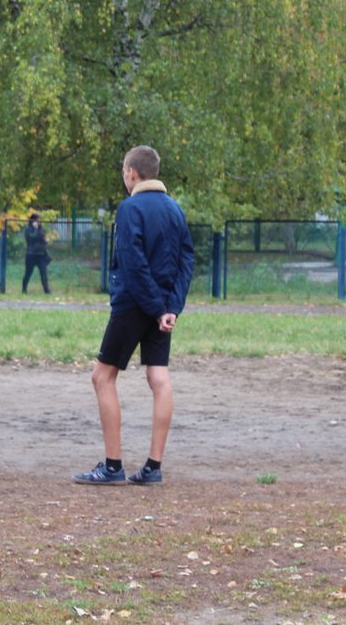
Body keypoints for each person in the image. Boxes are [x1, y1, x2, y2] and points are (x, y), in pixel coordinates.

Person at [75, 146, 195, 486]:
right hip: (162, 310)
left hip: (134, 306)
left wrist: (157, 307)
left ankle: (112, 467)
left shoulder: (129, 209)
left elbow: (133, 261)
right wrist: (171, 307)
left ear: (131, 172)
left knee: (102, 377)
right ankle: (152, 468)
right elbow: (187, 260)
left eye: (123, 172)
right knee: (159, 379)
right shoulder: (175, 210)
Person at [21, 212, 51, 294]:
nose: (38, 222)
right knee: (28, 273)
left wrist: (46, 241)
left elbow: (42, 238)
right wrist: (35, 229)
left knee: (43, 272)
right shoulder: (28, 229)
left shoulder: (41, 229)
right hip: (31, 254)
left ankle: (47, 290)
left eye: (39, 221)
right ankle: (24, 289)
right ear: (32, 221)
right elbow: (31, 238)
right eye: (37, 221)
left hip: (41, 254)